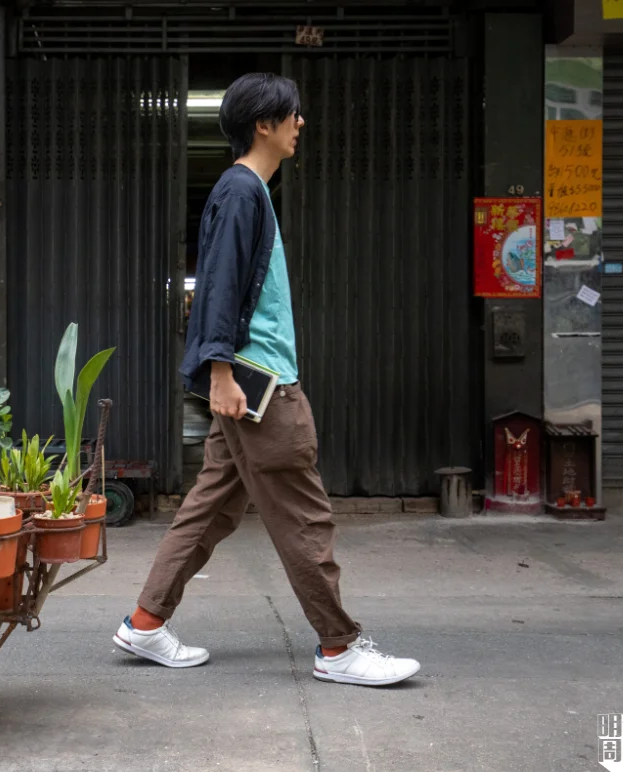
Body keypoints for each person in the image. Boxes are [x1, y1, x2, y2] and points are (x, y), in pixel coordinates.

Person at [112, 73, 420, 687]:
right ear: (264, 123)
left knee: (209, 511)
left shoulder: (247, 191)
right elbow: (220, 285)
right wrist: (221, 371)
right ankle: (339, 647)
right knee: (305, 517)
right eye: (293, 115)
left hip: (248, 386)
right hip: (262, 388)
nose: (300, 123)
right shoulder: (243, 191)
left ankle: (145, 622)